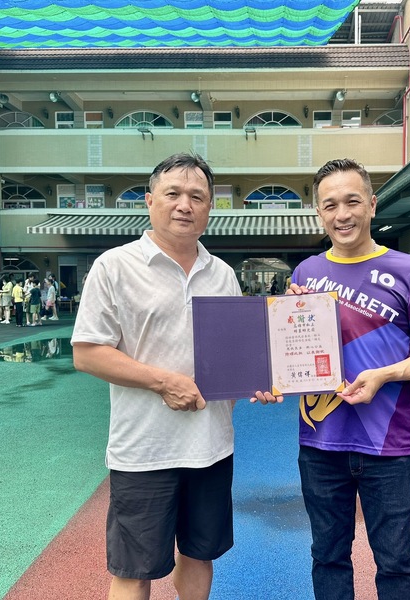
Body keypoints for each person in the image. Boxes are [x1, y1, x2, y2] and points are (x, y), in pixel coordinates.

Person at [72, 153, 274, 600]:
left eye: (197, 196)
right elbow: (87, 353)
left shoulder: (222, 274)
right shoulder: (114, 266)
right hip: (143, 450)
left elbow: (236, 357)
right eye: (173, 194)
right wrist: (163, 381)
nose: (185, 204)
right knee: (134, 569)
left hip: (211, 446)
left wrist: (256, 382)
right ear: (149, 201)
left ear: (209, 208)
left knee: (200, 554)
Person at [259, 158, 410, 600]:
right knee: (327, 556)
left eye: (352, 201)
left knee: (396, 563)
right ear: (318, 212)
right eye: (330, 205)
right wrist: (276, 374)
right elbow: (293, 351)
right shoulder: (305, 273)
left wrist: (385, 374)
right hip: (319, 442)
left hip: (388, 445)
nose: (342, 214)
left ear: (372, 204)